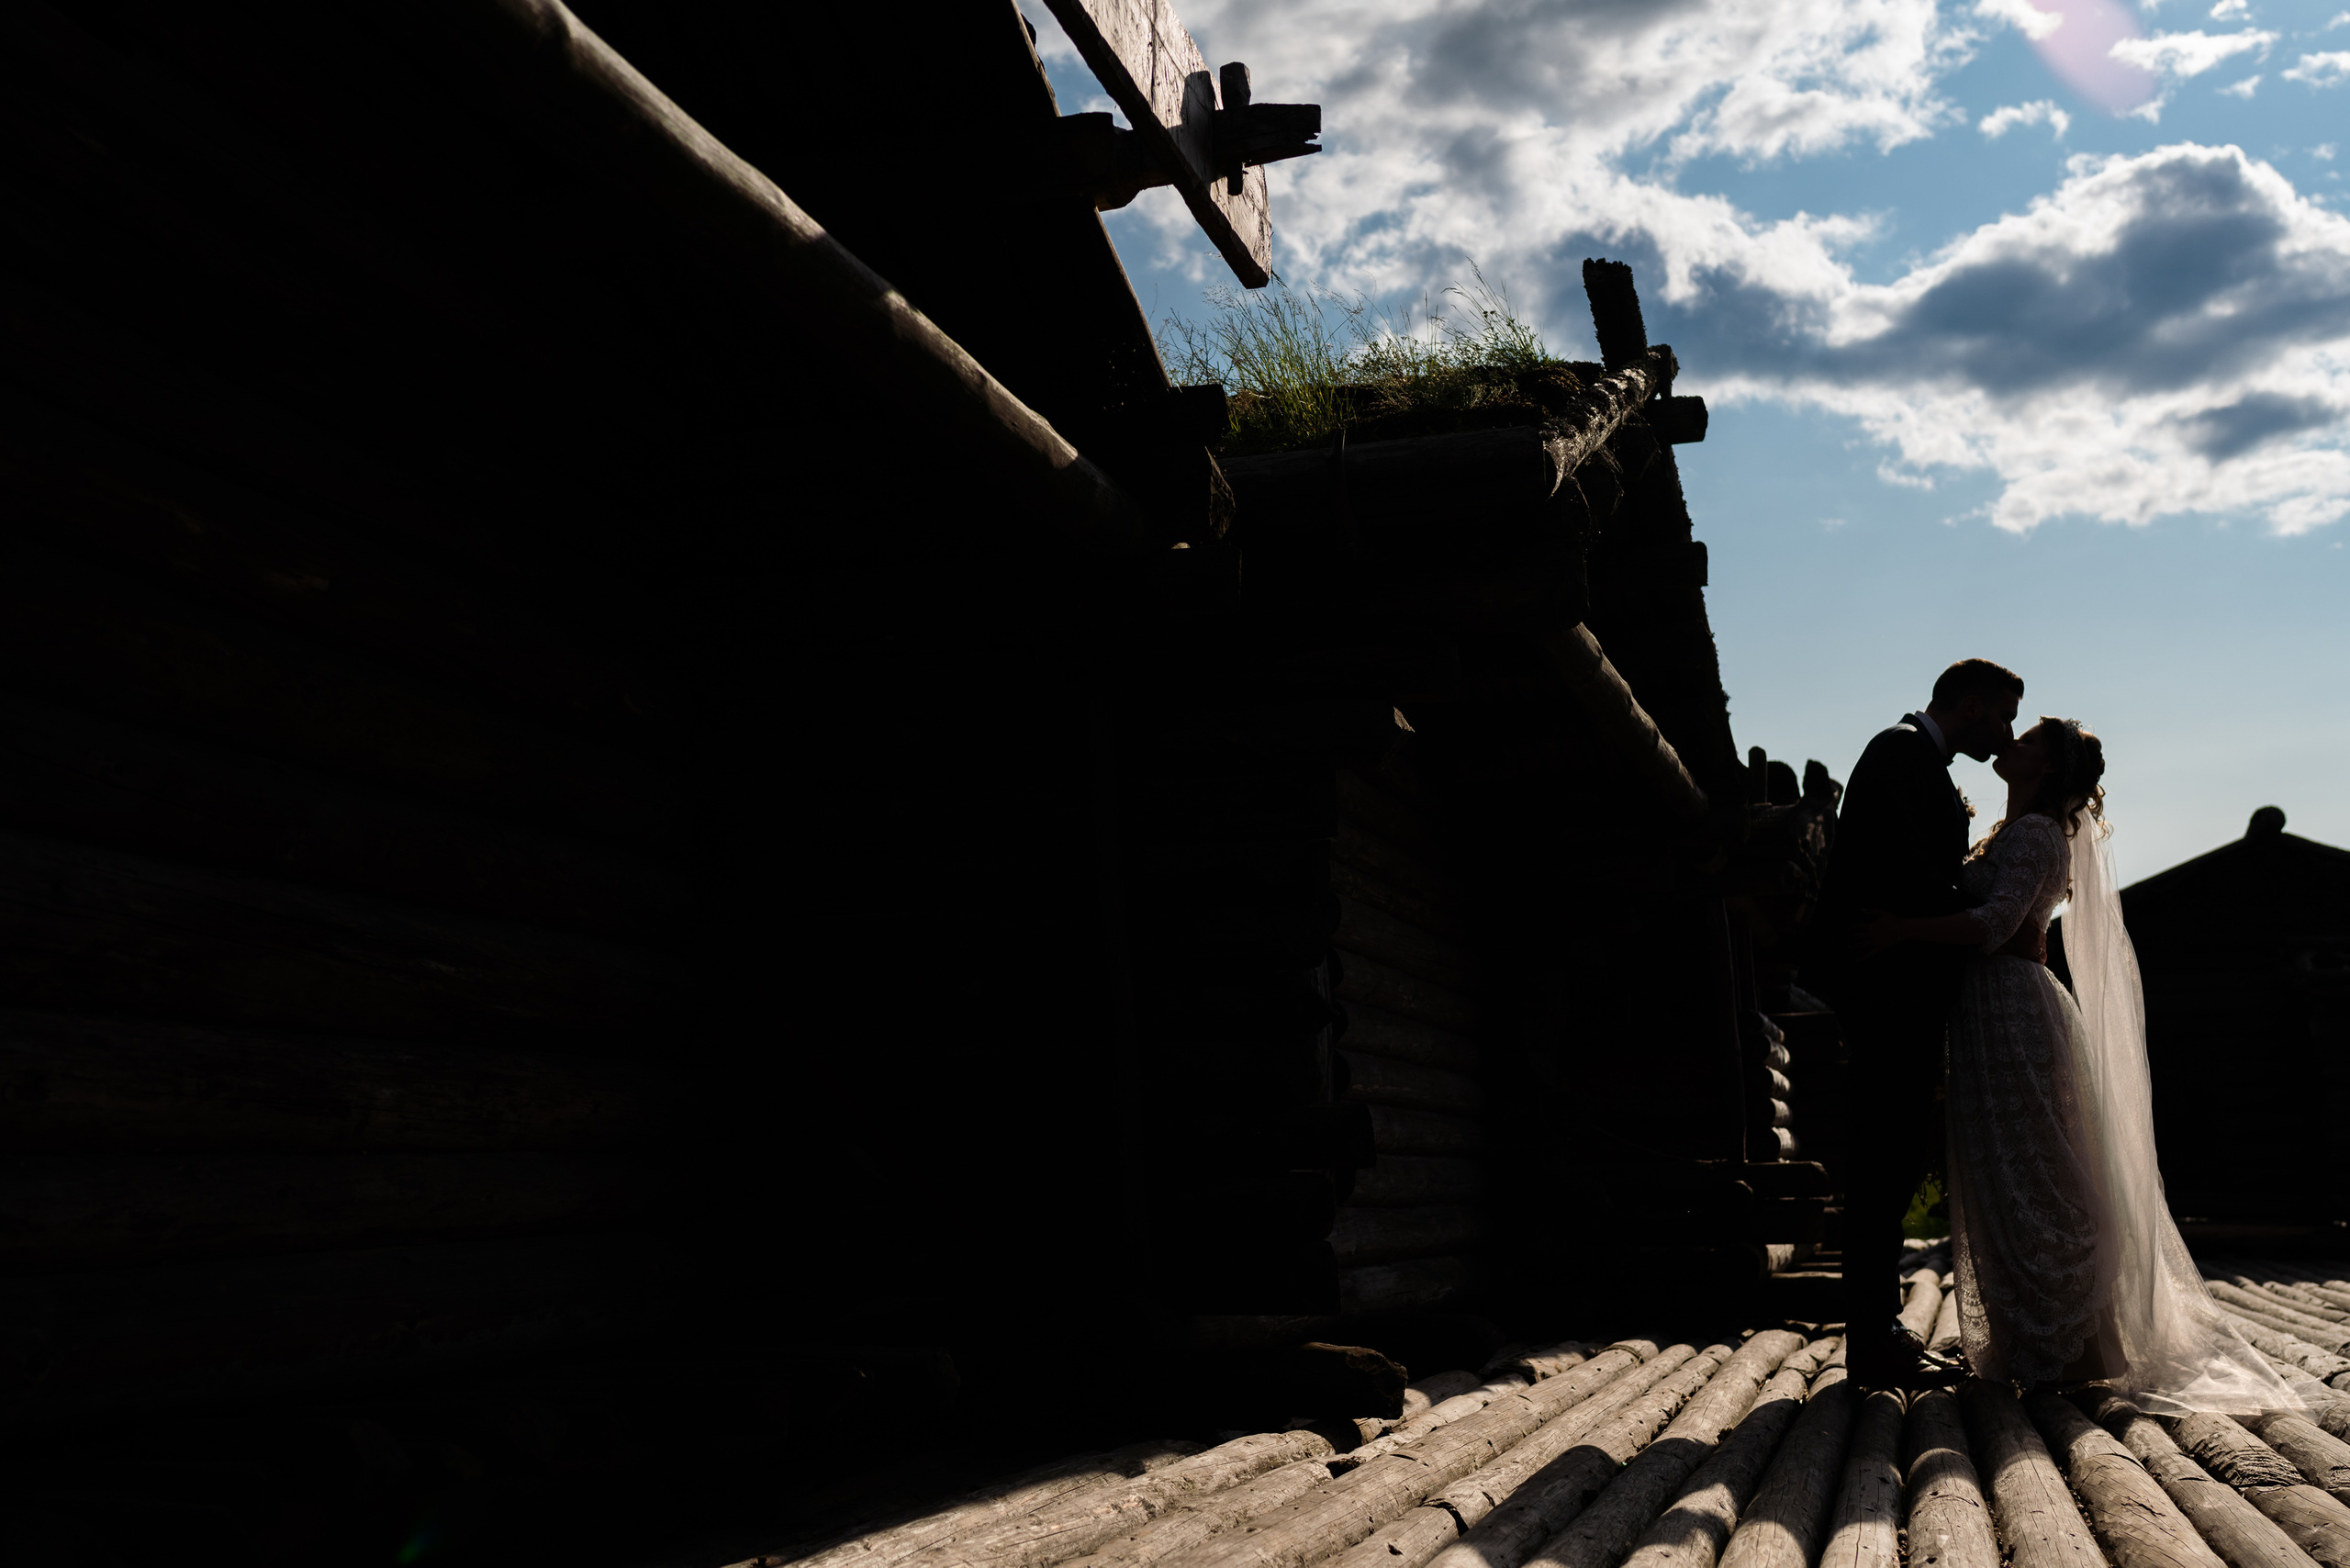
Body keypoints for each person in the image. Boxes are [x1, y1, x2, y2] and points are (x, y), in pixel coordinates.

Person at [1860, 719, 2310, 1412]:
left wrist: (1900, 930)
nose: (2014, 740)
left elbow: (1995, 925)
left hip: (2013, 1007)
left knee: (2039, 1171)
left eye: (2032, 739)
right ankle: (2028, 1340)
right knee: (2006, 1170)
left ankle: (2072, 1341)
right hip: (1986, 1011)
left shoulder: (2039, 833)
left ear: (2049, 769)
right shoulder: (2013, 831)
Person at [1813, 658, 2020, 1389]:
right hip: (1887, 991)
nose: (2006, 736)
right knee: (1883, 1163)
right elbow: (1906, 871)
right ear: (1969, 705)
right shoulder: (1901, 753)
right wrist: (1962, 910)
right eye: (2000, 717)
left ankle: (1879, 1331)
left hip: (1899, 987)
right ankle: (1872, 1342)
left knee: (1893, 1160)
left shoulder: (1910, 756)